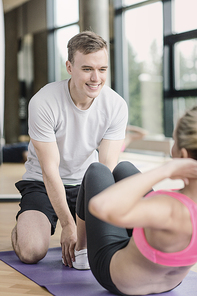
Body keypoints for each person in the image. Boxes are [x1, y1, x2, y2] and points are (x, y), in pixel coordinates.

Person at [11, 30, 128, 267]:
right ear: (69, 67)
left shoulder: (116, 105)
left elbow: (105, 169)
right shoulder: (44, 102)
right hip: (42, 183)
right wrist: (67, 224)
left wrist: (87, 227)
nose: (96, 78)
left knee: (109, 243)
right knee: (31, 251)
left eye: (102, 69)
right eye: (87, 69)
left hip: (86, 185)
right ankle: (25, 226)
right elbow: (49, 169)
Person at [74, 106, 197, 295]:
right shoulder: (168, 208)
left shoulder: (168, 207)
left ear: (183, 155)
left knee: (98, 171)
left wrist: (165, 170)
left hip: (121, 280)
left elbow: (100, 205)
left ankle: (80, 250)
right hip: (171, 281)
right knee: (125, 168)